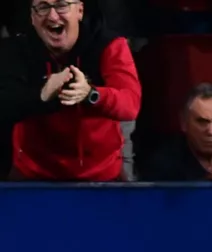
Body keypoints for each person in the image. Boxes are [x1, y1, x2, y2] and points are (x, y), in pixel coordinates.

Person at [0, 0, 141, 181]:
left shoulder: (109, 45)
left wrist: (90, 94)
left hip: (101, 173)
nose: (52, 16)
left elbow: (130, 105)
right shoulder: (16, 48)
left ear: (79, 11)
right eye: (43, 7)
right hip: (33, 173)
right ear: (33, 17)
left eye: (61, 5)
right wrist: (41, 96)